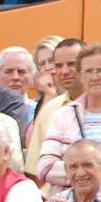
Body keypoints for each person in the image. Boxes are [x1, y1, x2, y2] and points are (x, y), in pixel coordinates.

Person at [35, 42, 101, 193]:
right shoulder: (63, 114)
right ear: (80, 75)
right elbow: (45, 168)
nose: (95, 77)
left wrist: (71, 166)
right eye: (88, 71)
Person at [24, 37, 83, 178]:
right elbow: (33, 151)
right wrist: (48, 96)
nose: (48, 68)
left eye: (51, 62)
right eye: (42, 64)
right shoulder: (47, 104)